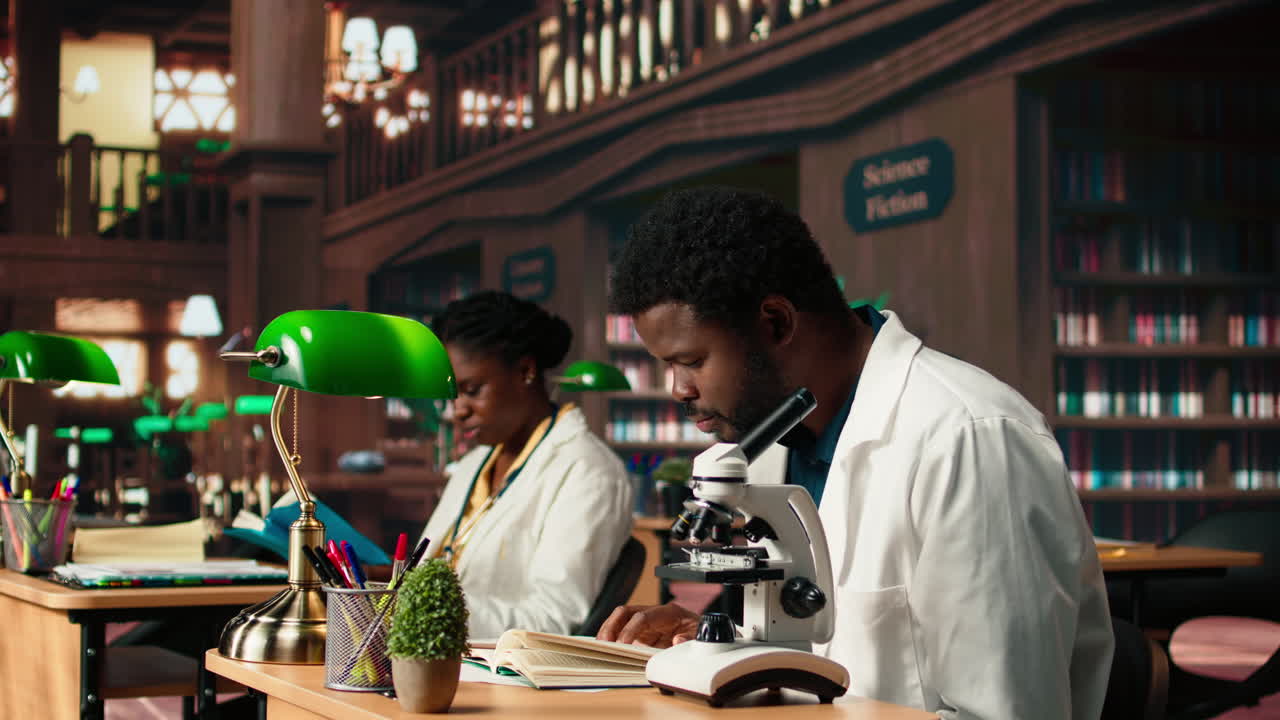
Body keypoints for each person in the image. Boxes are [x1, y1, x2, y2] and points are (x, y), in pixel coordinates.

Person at [597, 187, 1113, 719]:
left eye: (691, 361)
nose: (678, 389)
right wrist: (710, 643)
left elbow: (1009, 711)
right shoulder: (777, 444)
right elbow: (802, 650)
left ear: (775, 323)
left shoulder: (969, 438)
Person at [419, 291, 633, 638]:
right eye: (452, 394)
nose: (457, 410)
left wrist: (420, 609)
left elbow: (555, 621)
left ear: (525, 371)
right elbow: (427, 567)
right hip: (435, 659)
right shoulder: (473, 466)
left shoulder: (590, 471)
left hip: (505, 679)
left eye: (472, 390)